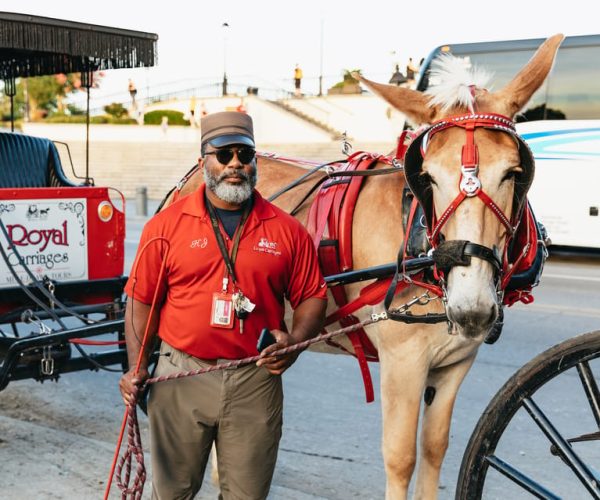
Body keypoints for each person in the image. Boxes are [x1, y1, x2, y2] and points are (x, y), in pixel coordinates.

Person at [119, 111, 328, 500]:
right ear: (204, 162)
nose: (235, 164)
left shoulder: (287, 230)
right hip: (181, 375)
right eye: (224, 154)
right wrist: (136, 367)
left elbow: (312, 296)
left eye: (244, 154)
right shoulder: (164, 227)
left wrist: (295, 342)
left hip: (255, 381)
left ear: (254, 162)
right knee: (171, 494)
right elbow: (140, 300)